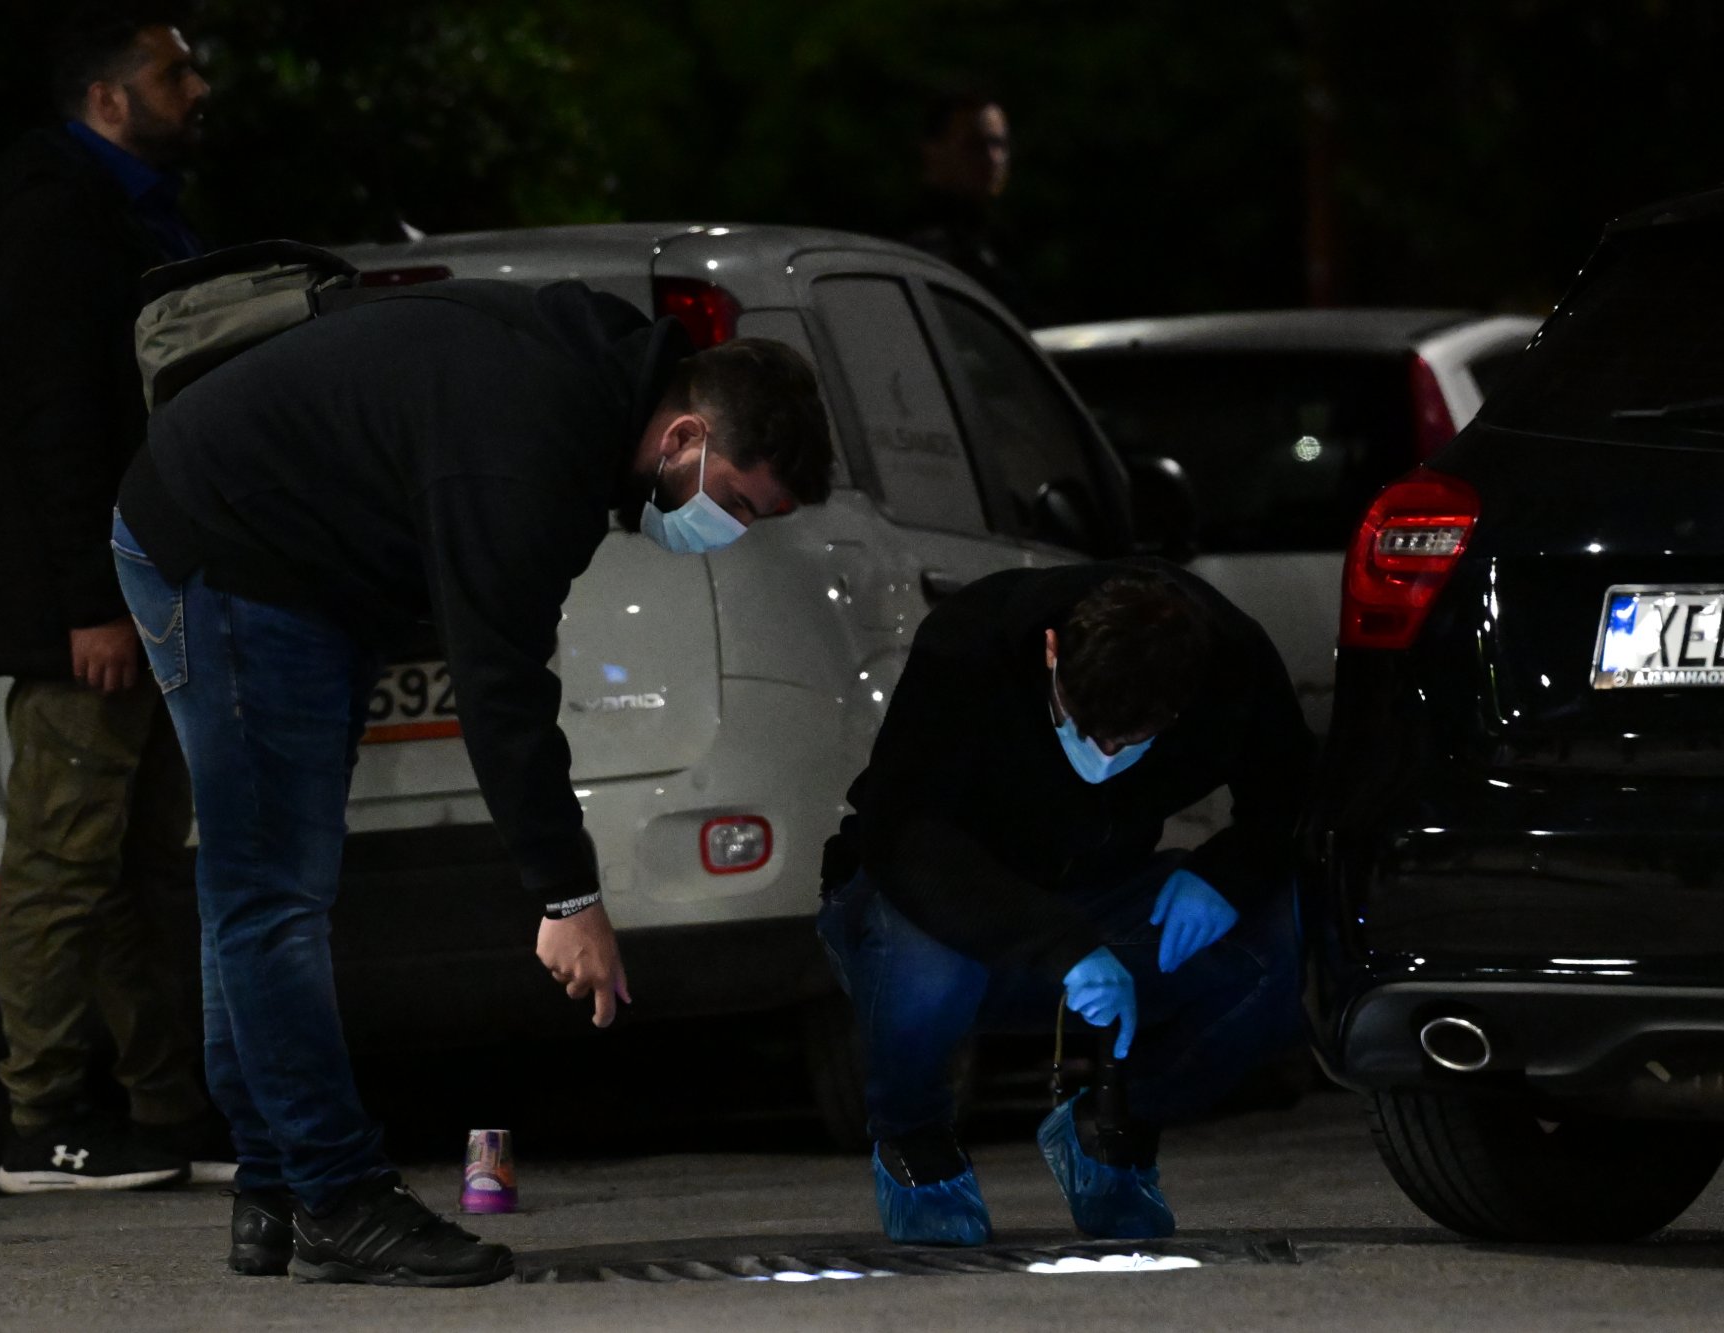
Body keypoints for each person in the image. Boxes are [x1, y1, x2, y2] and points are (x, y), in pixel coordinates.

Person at [111, 281, 835, 1286]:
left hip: (295, 564)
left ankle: (278, 1187)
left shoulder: (587, 400)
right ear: (682, 437)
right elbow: (499, 684)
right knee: (270, 890)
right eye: (739, 503)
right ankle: (337, 1196)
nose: (733, 528)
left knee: (266, 884)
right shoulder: (532, 443)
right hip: (230, 548)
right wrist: (567, 896)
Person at [817, 561, 1311, 1245]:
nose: (1103, 756)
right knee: (930, 971)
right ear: (1052, 650)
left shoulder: (1231, 662)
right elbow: (903, 835)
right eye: (1081, 725)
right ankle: (917, 1141)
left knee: (1282, 942)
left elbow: (1294, 793)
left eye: (1129, 741)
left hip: (1102, 895)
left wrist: (1229, 875)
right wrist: (1059, 943)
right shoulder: (971, 645)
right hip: (938, 900)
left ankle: (1113, 1122)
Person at [0, 9, 217, 1194]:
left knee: (136, 861)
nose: (196, 88)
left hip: (134, 591)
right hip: (92, 609)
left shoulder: (125, 211)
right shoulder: (59, 217)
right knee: (65, 860)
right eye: (172, 70)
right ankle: (42, 1120)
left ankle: (168, 1107)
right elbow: (53, 425)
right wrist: (93, 602)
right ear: (108, 97)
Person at [900, 89, 1051, 326]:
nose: (992, 158)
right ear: (932, 150)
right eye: (974, 145)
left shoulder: (1001, 240)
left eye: (999, 144)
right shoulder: (915, 243)